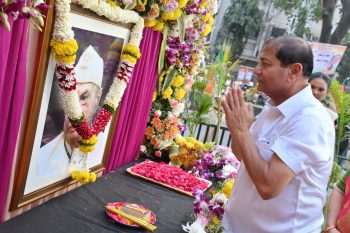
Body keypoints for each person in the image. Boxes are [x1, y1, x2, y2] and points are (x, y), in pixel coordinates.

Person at [221, 36, 335, 232]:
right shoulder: (274, 105)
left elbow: (268, 187)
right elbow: (242, 155)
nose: (257, 70)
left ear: (294, 71)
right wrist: (237, 129)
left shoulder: (310, 119)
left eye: (265, 64)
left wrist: (241, 131)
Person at [26, 45, 106, 191]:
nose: (74, 112)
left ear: (98, 98)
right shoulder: (42, 158)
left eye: (84, 98)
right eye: (70, 100)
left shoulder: (103, 146)